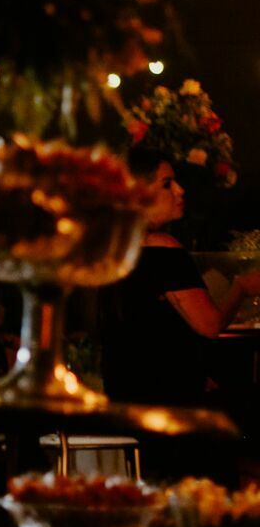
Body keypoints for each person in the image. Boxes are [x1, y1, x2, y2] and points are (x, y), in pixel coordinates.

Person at [101, 152, 260, 405]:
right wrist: (242, 287)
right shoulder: (162, 249)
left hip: (125, 393)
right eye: (167, 184)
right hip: (168, 400)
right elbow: (210, 325)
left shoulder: (112, 252)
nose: (180, 190)